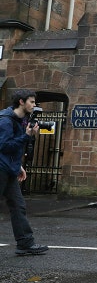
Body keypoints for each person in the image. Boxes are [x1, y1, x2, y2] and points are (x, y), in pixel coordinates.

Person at [0, 89, 49, 256]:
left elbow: (12, 148)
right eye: (32, 102)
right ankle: (25, 243)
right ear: (21, 102)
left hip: (9, 168)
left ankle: (25, 244)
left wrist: (18, 165)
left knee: (18, 206)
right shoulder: (6, 121)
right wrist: (26, 136)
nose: (34, 105)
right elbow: (4, 146)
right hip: (1, 169)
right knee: (16, 205)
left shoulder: (22, 120)